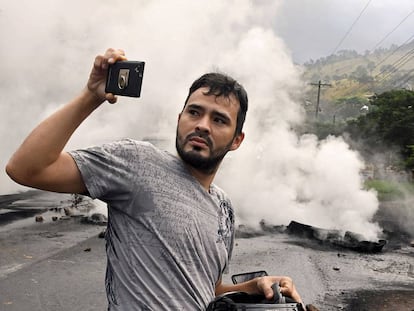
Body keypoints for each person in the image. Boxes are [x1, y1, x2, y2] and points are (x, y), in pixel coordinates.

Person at [6, 48, 302, 310]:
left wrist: (251, 287)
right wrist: (90, 96)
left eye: (219, 119)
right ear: (179, 118)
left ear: (237, 140)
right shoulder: (138, 163)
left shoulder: (224, 208)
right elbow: (25, 168)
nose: (202, 125)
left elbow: (204, 291)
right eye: (194, 112)